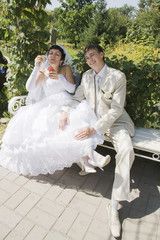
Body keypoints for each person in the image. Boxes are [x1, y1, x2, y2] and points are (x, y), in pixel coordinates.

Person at [59, 44, 135, 238]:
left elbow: (117, 109)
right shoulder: (86, 76)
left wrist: (94, 129)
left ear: (102, 54)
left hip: (116, 123)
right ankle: (90, 159)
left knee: (126, 151)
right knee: (66, 130)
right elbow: (77, 98)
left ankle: (114, 206)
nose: (90, 59)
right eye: (86, 57)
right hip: (92, 122)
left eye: (93, 55)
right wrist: (64, 111)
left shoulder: (117, 77)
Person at [0, 44, 109, 176]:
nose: (52, 56)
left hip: (66, 102)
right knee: (54, 127)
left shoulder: (65, 69)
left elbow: (72, 89)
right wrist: (36, 67)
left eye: (57, 54)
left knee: (75, 121)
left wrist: (60, 78)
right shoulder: (43, 71)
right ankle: (88, 159)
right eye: (50, 53)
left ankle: (87, 160)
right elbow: (30, 87)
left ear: (61, 59)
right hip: (49, 105)